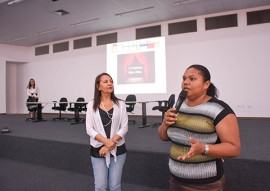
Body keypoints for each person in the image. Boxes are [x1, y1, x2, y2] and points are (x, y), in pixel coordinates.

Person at [158, 64, 241, 191]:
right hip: (175, 179)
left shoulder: (219, 110)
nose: (185, 82)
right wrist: (165, 123)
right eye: (184, 78)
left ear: (206, 84)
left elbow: (234, 148)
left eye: (192, 79)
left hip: (205, 184)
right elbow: (163, 137)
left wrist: (204, 148)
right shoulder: (177, 105)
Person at [86, 72, 128, 191]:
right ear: (98, 87)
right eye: (105, 81)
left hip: (118, 149)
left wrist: (109, 145)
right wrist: (105, 142)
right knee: (100, 187)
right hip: (98, 150)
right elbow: (89, 128)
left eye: (111, 81)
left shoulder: (121, 104)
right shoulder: (91, 104)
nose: (110, 83)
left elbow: (124, 127)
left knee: (115, 186)